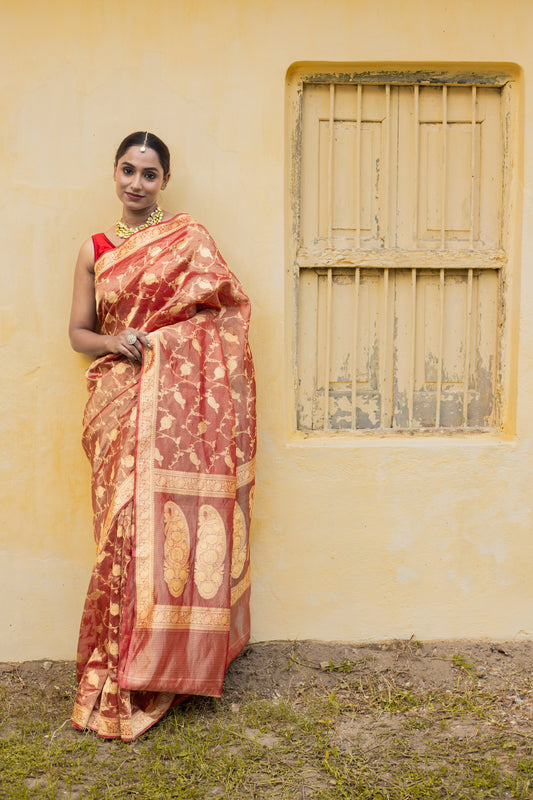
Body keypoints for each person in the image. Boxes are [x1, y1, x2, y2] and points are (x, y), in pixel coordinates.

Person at [68, 131, 256, 741]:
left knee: (155, 537)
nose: (136, 184)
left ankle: (155, 670)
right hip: (115, 403)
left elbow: (223, 313)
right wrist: (114, 343)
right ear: (113, 173)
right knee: (118, 535)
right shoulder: (94, 249)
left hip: (167, 411)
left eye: (149, 174)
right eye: (128, 170)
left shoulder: (189, 241)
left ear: (164, 182)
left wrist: (162, 345)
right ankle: (113, 671)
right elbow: (79, 332)